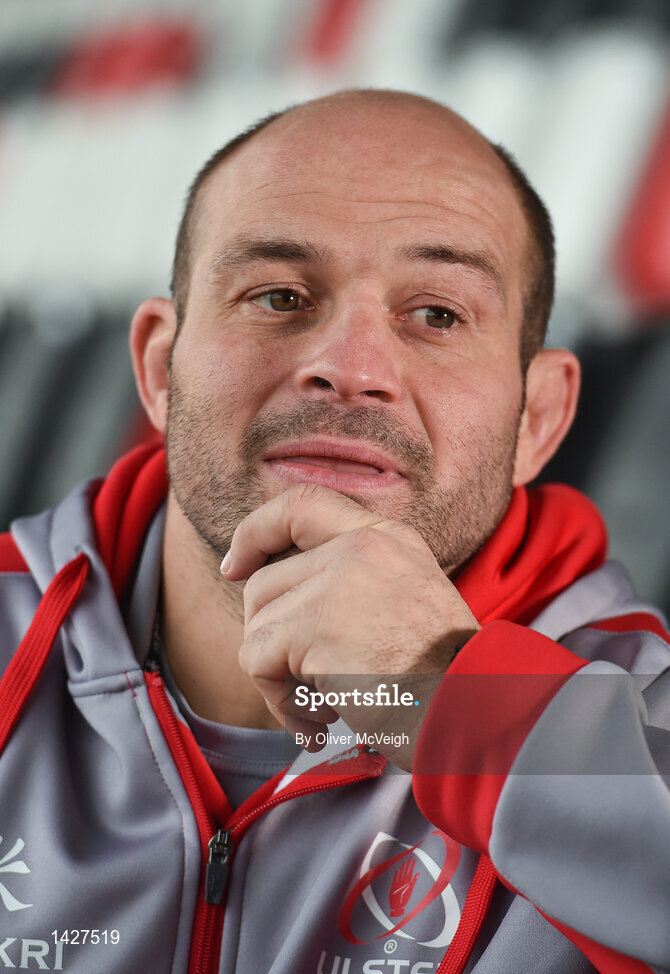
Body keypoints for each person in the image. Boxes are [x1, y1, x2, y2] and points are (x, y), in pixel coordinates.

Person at [0, 89, 668, 974]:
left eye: (438, 314)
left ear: (540, 418)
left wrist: (447, 698)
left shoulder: (642, 714)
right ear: (160, 370)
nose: (349, 370)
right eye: (278, 295)